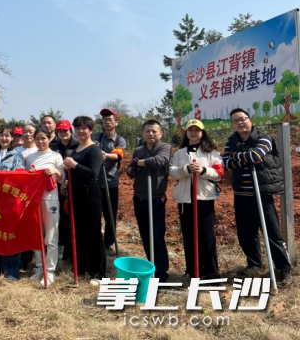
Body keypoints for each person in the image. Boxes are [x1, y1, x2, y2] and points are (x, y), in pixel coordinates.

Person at [222, 108, 292, 285]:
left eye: (242, 119)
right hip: (241, 194)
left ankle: (284, 269)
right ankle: (254, 265)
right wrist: (243, 158)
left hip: (261, 193)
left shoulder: (264, 138)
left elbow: (256, 154)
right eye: (235, 120)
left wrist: (238, 158)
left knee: (272, 233)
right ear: (233, 124)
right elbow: (226, 162)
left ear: (250, 119)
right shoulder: (232, 141)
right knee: (246, 233)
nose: (240, 122)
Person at [170, 119, 223, 279]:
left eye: (197, 130)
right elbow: (172, 172)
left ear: (202, 132)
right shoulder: (180, 153)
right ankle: (193, 272)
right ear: (186, 133)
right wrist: (185, 169)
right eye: (190, 130)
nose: (193, 132)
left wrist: (203, 170)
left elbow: (219, 174)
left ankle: (212, 273)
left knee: (207, 236)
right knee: (189, 236)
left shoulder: (211, 152)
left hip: (204, 198)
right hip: (185, 200)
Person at [126, 120, 171, 281]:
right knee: (145, 235)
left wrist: (142, 162)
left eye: (154, 131)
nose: (150, 134)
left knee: (157, 236)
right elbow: (131, 171)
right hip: (139, 198)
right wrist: (132, 167)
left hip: (156, 198)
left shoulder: (164, 147)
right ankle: (150, 267)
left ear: (160, 133)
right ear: (143, 134)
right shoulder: (139, 149)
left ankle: (161, 273)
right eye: (147, 131)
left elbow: (161, 160)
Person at [62, 116, 105, 285]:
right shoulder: (77, 149)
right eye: (78, 128)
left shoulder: (93, 149)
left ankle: (99, 272)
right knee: (80, 231)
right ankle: (83, 267)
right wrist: (67, 183)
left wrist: (74, 165)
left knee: (94, 232)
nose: (81, 131)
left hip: (90, 194)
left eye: (84, 128)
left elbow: (92, 173)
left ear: (91, 130)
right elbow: (77, 172)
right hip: (76, 193)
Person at [0, 126, 26, 277]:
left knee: (10, 234)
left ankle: (11, 272)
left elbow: (21, 175)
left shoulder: (17, 156)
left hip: (10, 200)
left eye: (7, 136)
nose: (4, 138)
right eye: (1, 135)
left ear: (12, 138)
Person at [26, 129, 64, 285]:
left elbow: (62, 179)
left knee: (51, 235)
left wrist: (55, 171)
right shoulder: (30, 157)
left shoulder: (56, 156)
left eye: (43, 138)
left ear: (49, 139)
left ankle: (50, 271)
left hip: (51, 198)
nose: (41, 141)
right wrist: (30, 173)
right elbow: (26, 179)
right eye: (38, 139)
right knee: (37, 235)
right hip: (34, 200)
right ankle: (39, 266)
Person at [92, 109, 127, 255]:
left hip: (111, 182)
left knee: (110, 214)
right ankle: (95, 241)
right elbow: (91, 148)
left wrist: (105, 154)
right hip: (95, 182)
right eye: (105, 120)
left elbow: (119, 155)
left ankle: (108, 243)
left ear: (116, 122)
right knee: (95, 214)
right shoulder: (97, 136)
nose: (107, 122)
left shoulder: (120, 140)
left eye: (110, 119)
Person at [50, 119, 79, 264]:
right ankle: (61, 249)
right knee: (59, 218)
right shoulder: (53, 146)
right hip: (56, 187)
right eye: (60, 131)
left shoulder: (78, 145)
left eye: (65, 131)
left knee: (71, 219)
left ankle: (71, 250)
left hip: (74, 186)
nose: (63, 133)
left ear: (70, 131)